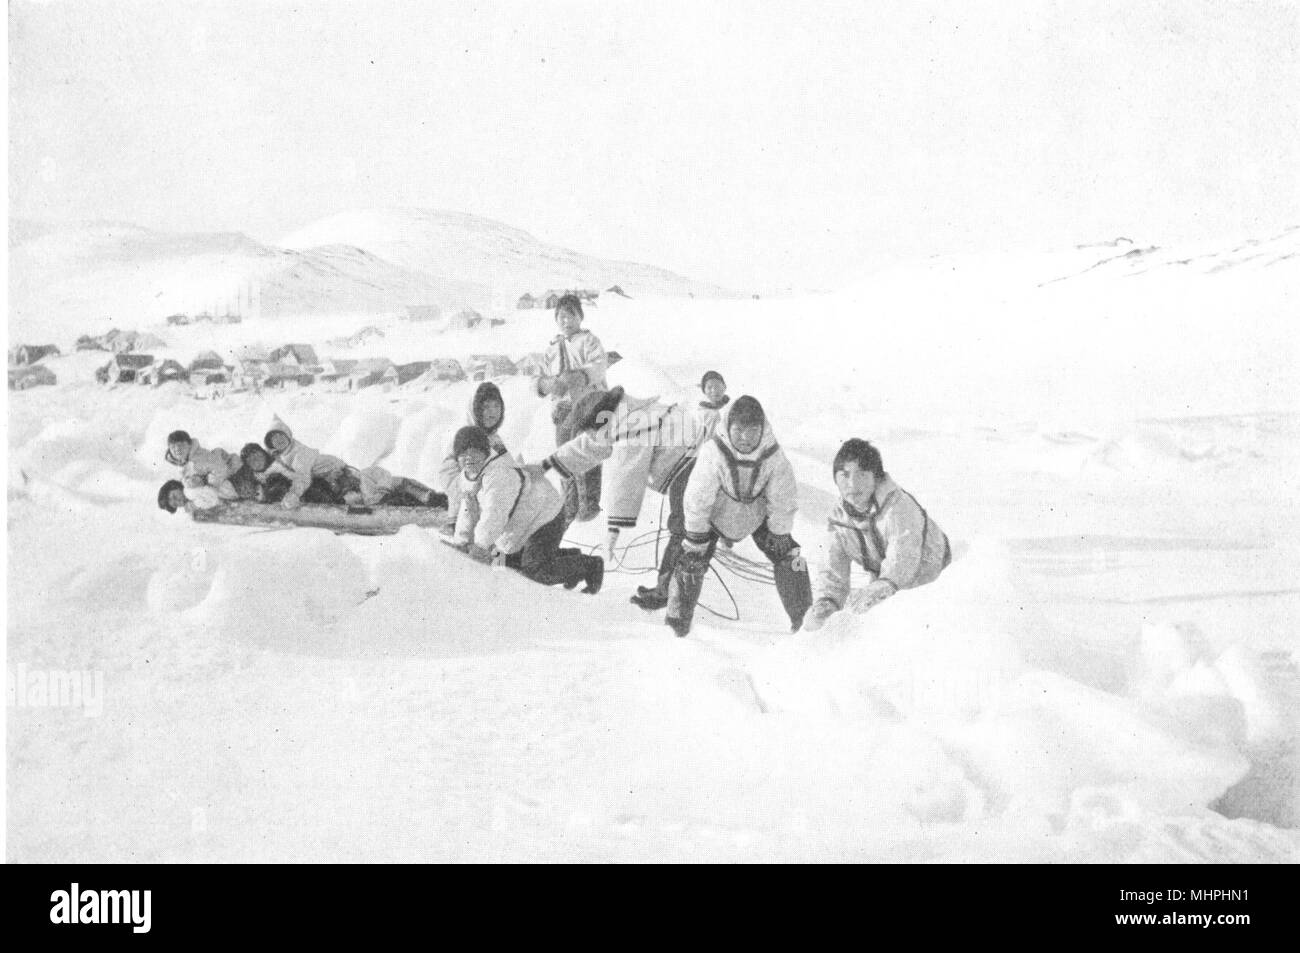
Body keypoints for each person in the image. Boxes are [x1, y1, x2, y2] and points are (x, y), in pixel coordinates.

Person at [534, 386, 705, 610]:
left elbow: (626, 482)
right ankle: (665, 589)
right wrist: (546, 464)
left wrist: (612, 534)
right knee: (681, 528)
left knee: (682, 528)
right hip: (692, 445)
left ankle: (666, 593)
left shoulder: (631, 433)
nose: (592, 436)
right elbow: (590, 445)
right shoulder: (621, 415)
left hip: (692, 458)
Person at [666, 395, 812, 638]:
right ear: (729, 428)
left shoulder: (773, 455)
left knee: (793, 559)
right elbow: (698, 497)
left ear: (762, 430)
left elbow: (783, 497)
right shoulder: (714, 451)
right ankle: (676, 625)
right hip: (715, 515)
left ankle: (805, 623)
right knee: (690, 561)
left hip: (755, 514)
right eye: (739, 430)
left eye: (753, 430)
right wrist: (696, 536)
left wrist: (779, 531)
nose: (745, 438)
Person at [802, 439, 951, 632]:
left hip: (931, 572)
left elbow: (904, 559)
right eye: (844, 475)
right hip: (887, 576)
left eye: (862, 475)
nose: (852, 484)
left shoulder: (898, 506)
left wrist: (882, 587)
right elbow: (832, 570)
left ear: (876, 477)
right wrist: (828, 601)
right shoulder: (840, 518)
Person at [449, 426, 603, 592]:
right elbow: (467, 512)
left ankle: (590, 566)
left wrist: (479, 546)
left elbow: (495, 515)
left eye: (474, 451)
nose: (468, 458)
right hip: (522, 524)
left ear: (485, 452)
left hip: (545, 515)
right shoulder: (468, 478)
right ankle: (570, 559)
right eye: (463, 453)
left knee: (535, 571)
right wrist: (461, 542)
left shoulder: (499, 475)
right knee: (507, 562)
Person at [535, 294, 607, 523]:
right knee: (564, 455)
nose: (566, 321)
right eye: (562, 316)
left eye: (571, 316)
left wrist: (579, 376)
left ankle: (589, 505)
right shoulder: (551, 349)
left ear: (580, 317)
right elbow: (539, 377)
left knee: (586, 451)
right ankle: (570, 504)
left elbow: (599, 366)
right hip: (563, 408)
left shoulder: (589, 341)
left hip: (587, 405)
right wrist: (546, 384)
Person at [437, 381, 510, 515]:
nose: (492, 412)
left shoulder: (495, 440)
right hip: (465, 513)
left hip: (493, 510)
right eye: (486, 407)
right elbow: (447, 474)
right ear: (475, 409)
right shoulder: (465, 437)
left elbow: (507, 465)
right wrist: (469, 494)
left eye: (496, 406)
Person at [165, 430, 240, 498]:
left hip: (234, 478)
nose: (177, 449)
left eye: (181, 445)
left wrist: (206, 483)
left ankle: (235, 498)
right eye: (173, 447)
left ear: (189, 445)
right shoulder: (182, 463)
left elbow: (220, 468)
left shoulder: (199, 457)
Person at [695, 370, 731, 440]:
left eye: (717, 386)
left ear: (724, 387)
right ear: (704, 390)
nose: (714, 390)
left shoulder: (731, 406)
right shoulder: (701, 412)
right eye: (709, 387)